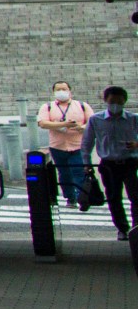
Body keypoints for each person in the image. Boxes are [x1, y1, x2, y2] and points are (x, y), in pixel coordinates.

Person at [36, 81, 96, 211]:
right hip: (58, 146)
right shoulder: (47, 107)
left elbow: (93, 122)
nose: (61, 91)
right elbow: (42, 123)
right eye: (58, 89)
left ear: (70, 91)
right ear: (54, 92)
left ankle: (82, 198)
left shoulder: (81, 106)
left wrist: (82, 127)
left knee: (79, 172)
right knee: (64, 173)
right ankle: (70, 197)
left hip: (78, 146)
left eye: (64, 89)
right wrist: (63, 125)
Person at [91, 86, 138, 247]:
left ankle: (136, 227)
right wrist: (86, 165)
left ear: (125, 101)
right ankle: (122, 228)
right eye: (112, 101)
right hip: (109, 164)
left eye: (119, 101)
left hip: (130, 162)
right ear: (106, 100)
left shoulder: (133, 118)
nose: (116, 105)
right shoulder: (96, 119)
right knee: (113, 197)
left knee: (135, 197)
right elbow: (87, 142)